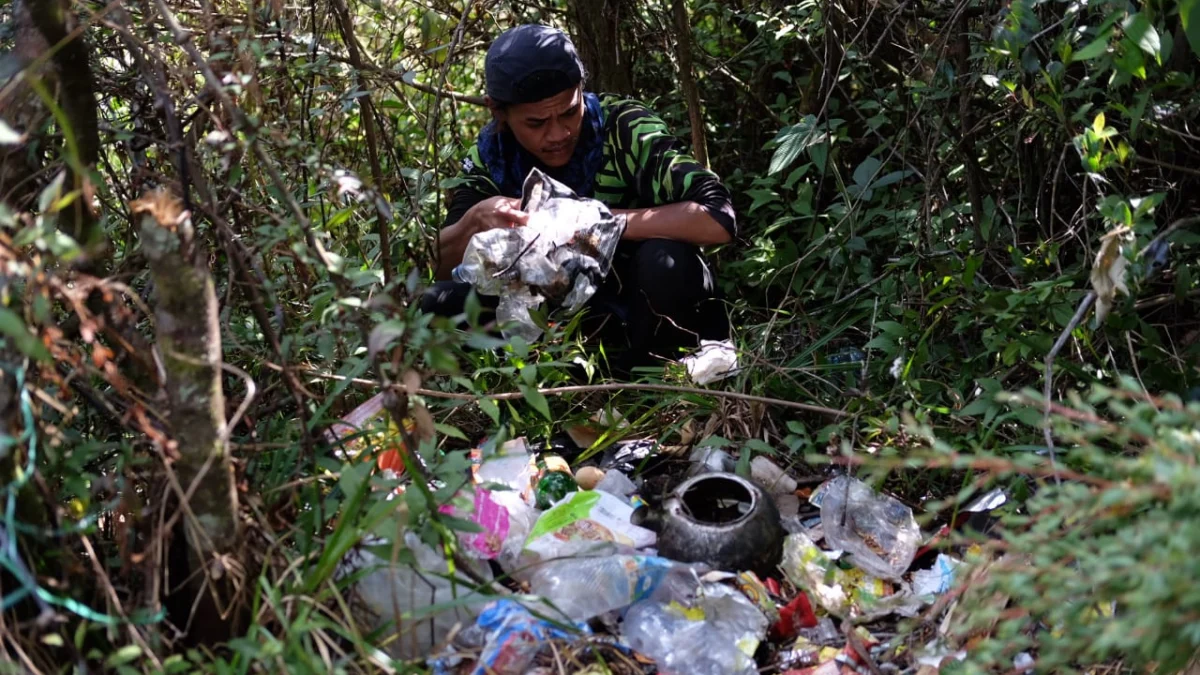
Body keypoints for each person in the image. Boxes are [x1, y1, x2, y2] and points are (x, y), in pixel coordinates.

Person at [422, 23, 737, 378]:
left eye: (570, 112)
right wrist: (473, 222)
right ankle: (548, 377)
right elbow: (440, 267)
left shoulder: (624, 127)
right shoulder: (490, 158)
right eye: (536, 123)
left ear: (581, 90)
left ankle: (649, 378)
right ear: (498, 112)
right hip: (547, 311)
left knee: (666, 262)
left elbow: (717, 219)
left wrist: (597, 222)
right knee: (436, 304)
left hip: (639, 301)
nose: (558, 134)